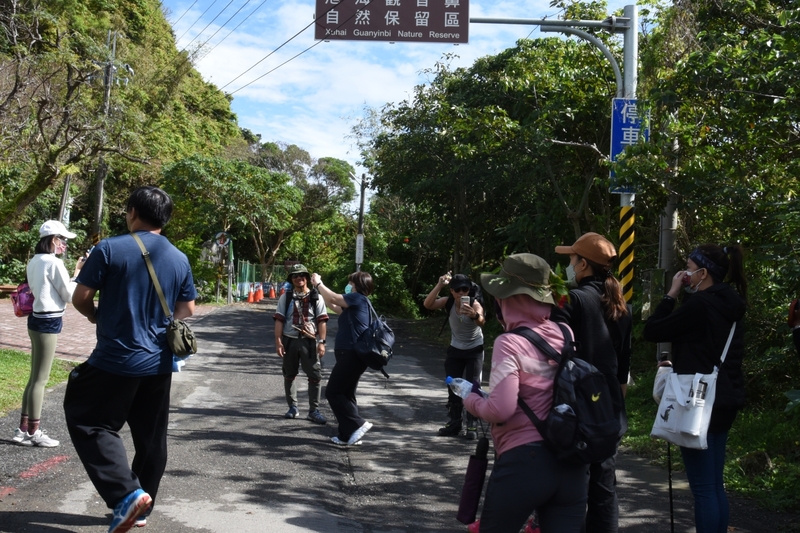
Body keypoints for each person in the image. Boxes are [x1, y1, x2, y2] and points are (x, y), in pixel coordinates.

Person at [64, 186, 197, 533]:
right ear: (164, 219)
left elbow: (81, 297)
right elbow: (188, 309)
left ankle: (126, 496)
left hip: (116, 358)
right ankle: (142, 506)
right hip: (159, 363)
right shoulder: (179, 257)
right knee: (152, 437)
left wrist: (96, 316)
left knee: (88, 419)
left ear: (134, 212)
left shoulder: (109, 247)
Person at [463, 253, 587, 533]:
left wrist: (470, 400)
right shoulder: (565, 332)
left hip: (525, 462)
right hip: (571, 464)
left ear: (506, 299)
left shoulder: (510, 343)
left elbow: (500, 410)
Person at [643, 244, 747, 533]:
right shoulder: (733, 302)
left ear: (703, 273)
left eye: (689, 268)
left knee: (702, 489)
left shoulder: (699, 305)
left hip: (698, 402)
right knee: (714, 485)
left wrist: (671, 293)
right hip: (725, 398)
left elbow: (652, 331)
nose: (685, 274)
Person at [551, 232, 631, 533]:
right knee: (604, 484)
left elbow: (554, 351)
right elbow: (623, 364)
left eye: (571, 259)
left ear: (583, 264)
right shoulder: (622, 305)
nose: (569, 265)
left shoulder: (570, 300)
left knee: (570, 477)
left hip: (576, 399)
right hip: (609, 402)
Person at [13, 220, 84, 447]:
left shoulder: (34, 261)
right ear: (53, 240)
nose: (64, 244)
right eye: (62, 240)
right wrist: (77, 274)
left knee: (34, 378)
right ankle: (33, 432)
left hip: (36, 320)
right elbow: (68, 295)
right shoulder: (53, 263)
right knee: (41, 380)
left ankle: (23, 429)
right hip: (48, 321)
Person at [310, 270, 375, 446]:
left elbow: (335, 298)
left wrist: (318, 283)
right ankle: (347, 435)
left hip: (351, 355)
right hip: (353, 355)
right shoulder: (358, 303)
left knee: (333, 392)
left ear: (358, 285)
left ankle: (358, 424)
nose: (349, 286)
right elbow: (335, 306)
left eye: (351, 283)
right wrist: (320, 293)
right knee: (347, 393)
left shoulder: (358, 298)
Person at [423, 272, 486, 439]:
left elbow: (482, 321)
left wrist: (474, 315)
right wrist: (439, 285)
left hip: (474, 349)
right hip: (455, 349)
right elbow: (428, 305)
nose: (462, 293)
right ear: (452, 291)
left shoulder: (475, 303)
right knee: (453, 386)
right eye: (458, 290)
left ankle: (472, 425)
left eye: (465, 289)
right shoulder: (448, 302)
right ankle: (454, 422)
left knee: (474, 387)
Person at [273, 263, 329, 424]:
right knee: (289, 374)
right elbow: (279, 319)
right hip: (289, 340)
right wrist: (278, 342)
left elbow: (322, 321)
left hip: (309, 341)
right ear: (291, 279)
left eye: (302, 275)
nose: (299, 278)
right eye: (295, 276)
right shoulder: (286, 297)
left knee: (315, 375)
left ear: (307, 278)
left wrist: (322, 342)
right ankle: (293, 407)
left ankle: (314, 410)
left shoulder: (315, 296)